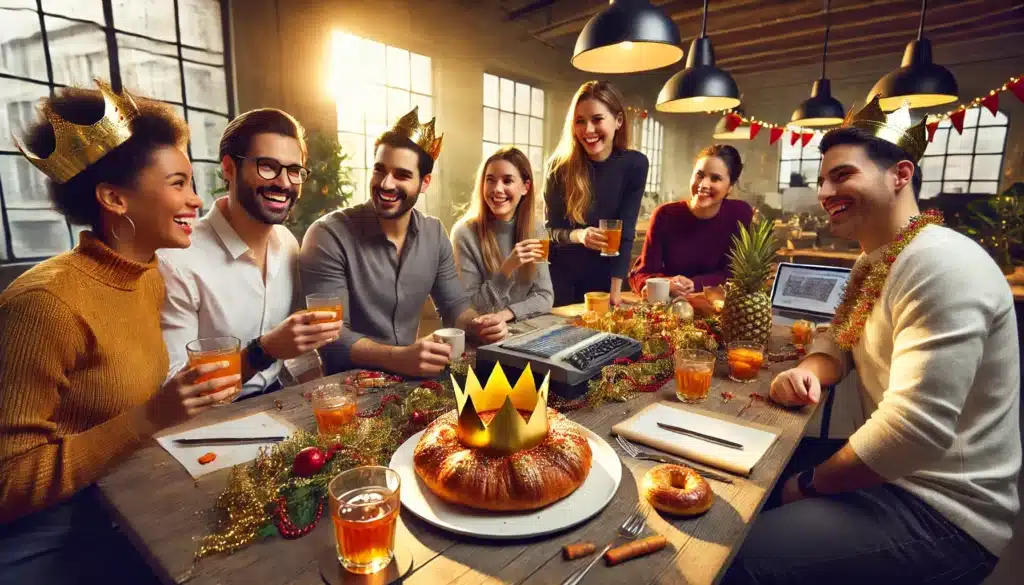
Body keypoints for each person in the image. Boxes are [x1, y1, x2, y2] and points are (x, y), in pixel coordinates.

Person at [722, 97, 1020, 585]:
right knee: (746, 474)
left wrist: (808, 485)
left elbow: (911, 434)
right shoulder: (874, 261)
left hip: (941, 510)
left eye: (842, 176)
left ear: (901, 174)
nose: (824, 191)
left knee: (738, 557)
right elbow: (837, 341)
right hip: (893, 476)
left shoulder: (940, 263)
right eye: (822, 180)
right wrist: (806, 372)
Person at [0, 81, 240, 584]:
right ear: (113, 198)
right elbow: (7, 482)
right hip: (55, 534)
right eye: (178, 183)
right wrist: (149, 416)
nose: (197, 200)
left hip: (125, 494)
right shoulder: (44, 304)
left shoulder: (147, 274)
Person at [299, 107, 508, 377]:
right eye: (379, 171)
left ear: (424, 183)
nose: (385, 184)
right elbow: (330, 337)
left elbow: (455, 306)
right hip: (347, 387)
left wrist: (480, 325)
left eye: (402, 175)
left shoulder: (434, 233)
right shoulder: (327, 235)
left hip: (410, 381)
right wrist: (400, 358)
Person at [158, 109, 341, 400]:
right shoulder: (178, 259)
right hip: (207, 422)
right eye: (267, 166)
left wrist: (321, 393)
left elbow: (296, 348)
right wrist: (264, 350)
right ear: (229, 168)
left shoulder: (287, 243)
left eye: (294, 171)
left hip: (278, 403)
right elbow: (177, 391)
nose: (283, 183)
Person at [544, 80, 648, 306]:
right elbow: (549, 232)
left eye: (597, 119)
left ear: (618, 120)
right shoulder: (558, 167)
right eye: (580, 121)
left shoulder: (635, 164)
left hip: (606, 280)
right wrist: (579, 236)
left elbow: (626, 230)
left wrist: (615, 292)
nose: (588, 130)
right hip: (560, 282)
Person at [629, 144, 753, 298]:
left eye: (715, 178)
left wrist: (694, 284)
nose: (703, 185)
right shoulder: (665, 215)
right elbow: (642, 273)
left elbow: (736, 275)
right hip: (671, 308)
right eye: (700, 175)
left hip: (718, 307)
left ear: (730, 187)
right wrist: (666, 283)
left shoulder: (740, 214)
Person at [450, 146, 554, 321]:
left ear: (525, 187)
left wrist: (506, 315)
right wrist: (507, 269)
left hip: (523, 332)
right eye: (490, 180)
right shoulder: (464, 234)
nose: (497, 189)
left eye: (507, 181)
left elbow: (544, 297)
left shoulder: (536, 230)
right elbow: (471, 309)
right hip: (483, 337)